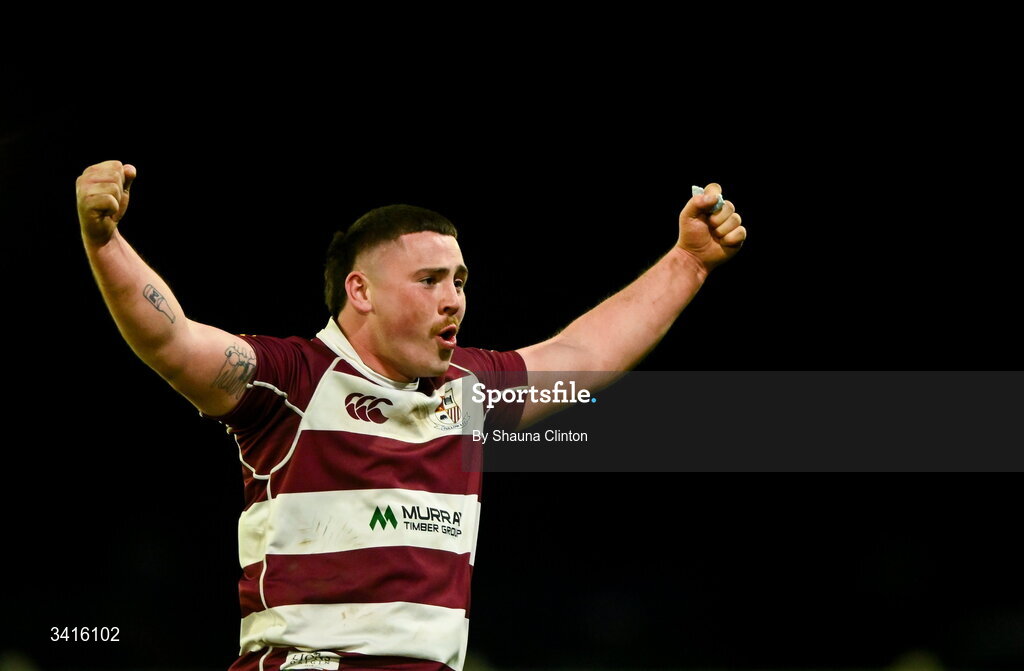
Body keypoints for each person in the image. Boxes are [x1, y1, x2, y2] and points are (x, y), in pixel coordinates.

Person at [77, 160, 746, 671]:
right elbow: (172, 339)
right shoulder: (295, 381)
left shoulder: (471, 388)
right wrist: (101, 235)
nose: (453, 298)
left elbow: (579, 353)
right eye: (429, 280)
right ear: (359, 290)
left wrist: (687, 262)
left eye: (459, 280)